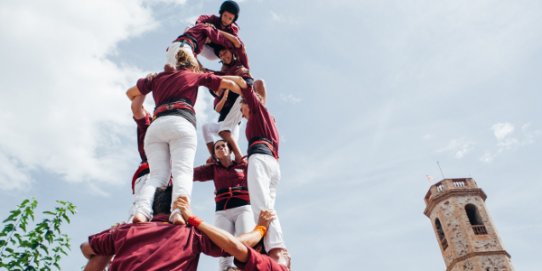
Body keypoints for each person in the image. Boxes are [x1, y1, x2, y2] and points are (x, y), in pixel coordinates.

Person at [126, 50, 244, 225]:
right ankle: (178, 212)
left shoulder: (157, 77)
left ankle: (141, 212)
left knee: (157, 176)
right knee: (182, 172)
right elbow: (228, 84)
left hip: (157, 125)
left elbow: (130, 94)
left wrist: (148, 82)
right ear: (193, 66)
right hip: (181, 121)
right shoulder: (193, 75)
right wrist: (245, 90)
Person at [80, 186, 226, 271]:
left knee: (103, 249)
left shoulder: (125, 230)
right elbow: (231, 246)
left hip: (124, 234)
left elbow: (85, 248)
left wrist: (111, 236)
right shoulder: (190, 235)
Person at [222, 77, 287, 262]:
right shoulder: (269, 119)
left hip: (260, 158)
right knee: (267, 207)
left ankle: (277, 251)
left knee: (260, 207)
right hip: (273, 164)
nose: (242, 115)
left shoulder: (257, 111)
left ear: (250, 104)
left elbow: (255, 84)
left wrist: (227, 80)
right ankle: (269, 248)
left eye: (242, 110)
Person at [175, 196, 290, 270]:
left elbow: (233, 246)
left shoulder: (270, 267)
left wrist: (193, 219)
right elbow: (232, 246)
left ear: (259, 249)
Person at [194, 139, 255, 271]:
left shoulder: (243, 165)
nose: (221, 148)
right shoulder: (213, 169)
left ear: (230, 150)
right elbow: (190, 173)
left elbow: (260, 170)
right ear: (215, 154)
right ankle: (225, 269)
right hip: (223, 212)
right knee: (222, 245)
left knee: (245, 242)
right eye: (217, 148)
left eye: (223, 146)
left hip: (243, 209)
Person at [166, 21, 240, 67]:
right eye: (228, 57)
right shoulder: (212, 25)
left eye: (223, 60)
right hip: (183, 43)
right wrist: (209, 28)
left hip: (184, 47)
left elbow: (194, 51)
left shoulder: (211, 56)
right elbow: (190, 27)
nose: (224, 57)